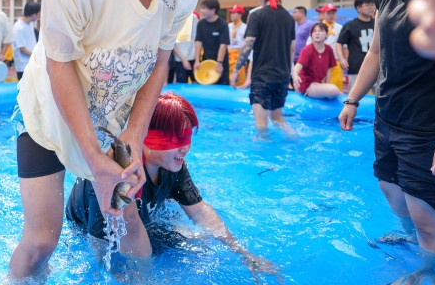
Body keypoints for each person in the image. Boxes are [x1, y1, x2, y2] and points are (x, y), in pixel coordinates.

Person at [8, 0, 257, 279]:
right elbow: (60, 64)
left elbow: (160, 64)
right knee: (42, 240)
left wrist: (133, 137)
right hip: (49, 111)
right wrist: (93, 158)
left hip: (114, 121)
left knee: (128, 222)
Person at [66, 93, 281, 280]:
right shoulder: (113, 174)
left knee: (201, 246)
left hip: (141, 222)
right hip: (91, 232)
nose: (186, 147)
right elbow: (99, 246)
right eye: (175, 139)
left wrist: (245, 255)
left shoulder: (174, 166)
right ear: (145, 136)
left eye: (187, 137)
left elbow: (199, 210)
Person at [338, 0, 435, 271]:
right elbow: (376, 53)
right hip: (389, 116)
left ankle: (428, 271)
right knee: (390, 189)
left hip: (430, 126)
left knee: (428, 215)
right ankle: (418, 242)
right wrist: (352, 100)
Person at [230, 0, 296, 138]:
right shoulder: (289, 18)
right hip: (282, 77)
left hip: (262, 77)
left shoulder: (256, 15)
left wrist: (236, 70)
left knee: (261, 125)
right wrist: (289, 75)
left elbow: (248, 45)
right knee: (278, 119)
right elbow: (292, 49)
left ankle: (264, 150)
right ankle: (296, 139)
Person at [336, 0, 376, 91]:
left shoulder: (377, 23)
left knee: (380, 95)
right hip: (356, 67)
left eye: (372, 5)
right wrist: (342, 59)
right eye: (367, 5)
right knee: (354, 95)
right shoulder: (350, 25)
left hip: (376, 67)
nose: (371, 8)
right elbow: (339, 43)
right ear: (358, 8)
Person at [292, 23, 340, 99]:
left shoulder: (329, 49)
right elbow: (298, 66)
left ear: (326, 34)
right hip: (308, 84)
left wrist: (326, 84)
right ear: (311, 35)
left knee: (334, 91)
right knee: (333, 90)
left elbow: (329, 69)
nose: (317, 33)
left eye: (320, 31)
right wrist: (295, 76)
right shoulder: (307, 50)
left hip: (319, 83)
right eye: (314, 31)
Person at [193, 0, 230, 85]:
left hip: (221, 61)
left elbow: (223, 45)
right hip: (206, 60)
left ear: (213, 10)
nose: (201, 10)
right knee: (206, 86)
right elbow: (198, 42)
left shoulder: (222, 24)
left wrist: (219, 63)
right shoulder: (201, 24)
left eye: (204, 8)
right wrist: (197, 60)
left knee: (222, 86)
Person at [314, 3, 343, 91]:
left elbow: (343, 45)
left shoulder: (340, 28)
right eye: (328, 13)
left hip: (336, 63)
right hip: (321, 62)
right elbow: (310, 44)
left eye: (333, 13)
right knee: (321, 87)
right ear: (323, 14)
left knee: (337, 89)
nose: (331, 16)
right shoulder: (317, 28)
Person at [12, 2, 40, 80]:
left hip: (32, 63)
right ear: (34, 14)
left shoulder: (29, 23)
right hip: (23, 66)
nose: (39, 16)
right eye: (38, 14)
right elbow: (22, 49)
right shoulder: (18, 28)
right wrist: (37, 56)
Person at [172, 11, 198, 83]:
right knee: (182, 85)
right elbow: (172, 43)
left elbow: (197, 40)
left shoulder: (194, 18)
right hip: (180, 59)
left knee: (195, 84)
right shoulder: (174, 19)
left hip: (193, 58)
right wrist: (183, 60)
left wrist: (197, 59)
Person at [227, 4, 247, 86]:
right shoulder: (228, 26)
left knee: (239, 80)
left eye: (234, 13)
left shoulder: (245, 27)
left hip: (239, 56)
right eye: (231, 13)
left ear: (240, 15)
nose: (231, 15)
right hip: (228, 56)